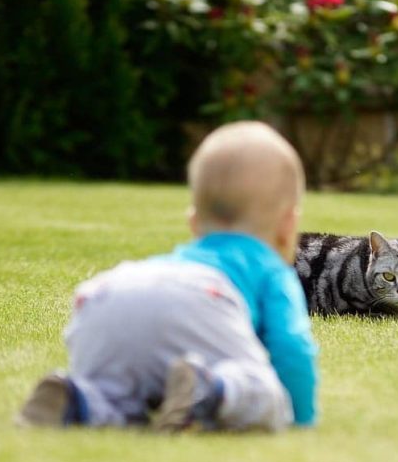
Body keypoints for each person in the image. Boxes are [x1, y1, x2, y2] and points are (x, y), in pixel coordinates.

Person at [16, 121, 317, 432]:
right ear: (287, 224)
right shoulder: (270, 268)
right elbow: (291, 349)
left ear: (194, 222)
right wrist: (302, 418)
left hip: (108, 292)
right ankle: (210, 389)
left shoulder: (187, 261)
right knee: (264, 392)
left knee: (117, 398)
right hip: (201, 297)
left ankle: (80, 400)